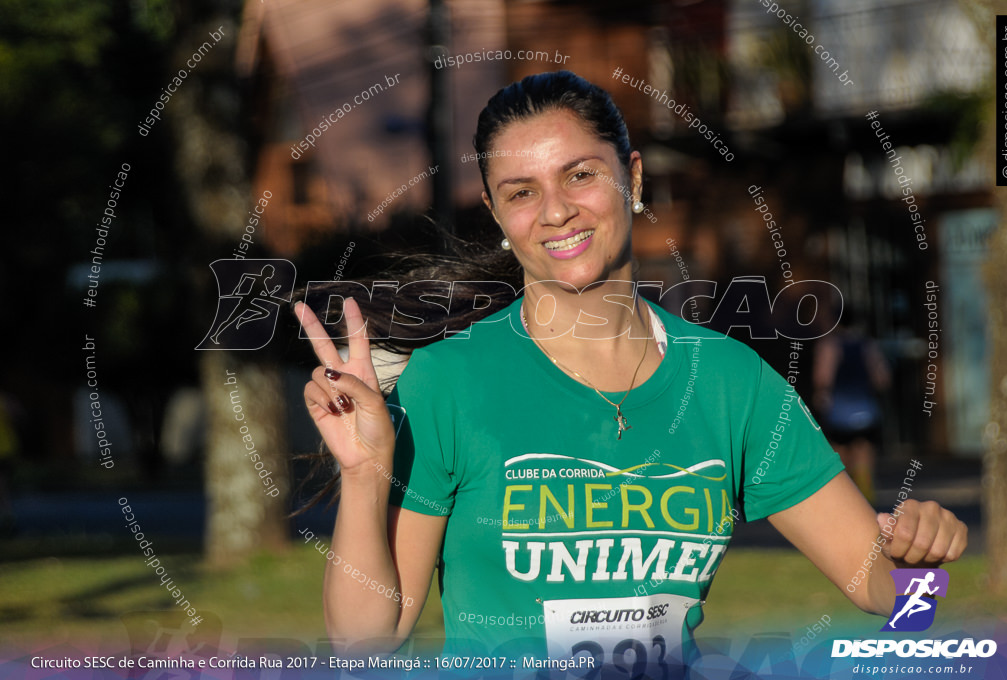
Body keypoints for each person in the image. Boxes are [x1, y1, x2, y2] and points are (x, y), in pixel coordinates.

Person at [292, 71, 966, 670]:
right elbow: (364, 646)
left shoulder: (731, 381)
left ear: (633, 179)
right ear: (498, 216)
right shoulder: (447, 382)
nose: (556, 210)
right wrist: (362, 475)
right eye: (521, 192)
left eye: (580, 174)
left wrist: (921, 571)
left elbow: (885, 589)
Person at [813, 311, 891, 503]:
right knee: (864, 454)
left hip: (839, 412)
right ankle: (866, 500)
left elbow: (822, 377)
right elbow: (882, 379)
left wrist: (821, 397)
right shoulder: (868, 345)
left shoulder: (830, 345)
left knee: (840, 457)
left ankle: (845, 501)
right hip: (866, 410)